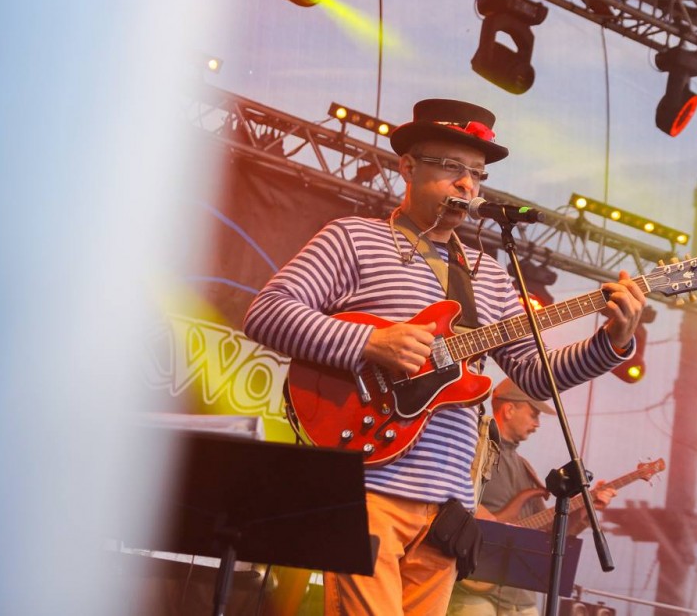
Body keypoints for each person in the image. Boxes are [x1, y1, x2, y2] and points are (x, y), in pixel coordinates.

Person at [242, 98, 646, 615]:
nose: (466, 184)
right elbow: (268, 312)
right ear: (408, 166)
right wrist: (369, 343)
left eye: (476, 173)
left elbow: (535, 375)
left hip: (448, 506)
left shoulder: (489, 274)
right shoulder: (353, 238)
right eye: (452, 167)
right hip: (369, 485)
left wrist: (612, 342)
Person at [447, 378, 617, 616]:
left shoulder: (525, 468)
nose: (537, 424)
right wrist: (482, 517)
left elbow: (548, 535)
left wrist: (586, 511)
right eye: (533, 414)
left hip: (520, 598)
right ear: (509, 410)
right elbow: (444, 497)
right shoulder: (472, 452)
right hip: (473, 590)